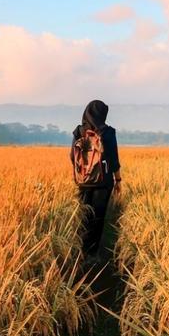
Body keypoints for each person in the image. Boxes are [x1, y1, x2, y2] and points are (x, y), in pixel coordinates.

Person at [70, 100, 121, 257]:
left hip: (83, 182)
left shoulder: (79, 131)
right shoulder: (107, 132)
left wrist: (81, 173)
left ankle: (80, 251)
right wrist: (118, 180)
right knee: (98, 218)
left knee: (84, 216)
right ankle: (92, 253)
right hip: (103, 182)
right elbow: (113, 159)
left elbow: (72, 156)